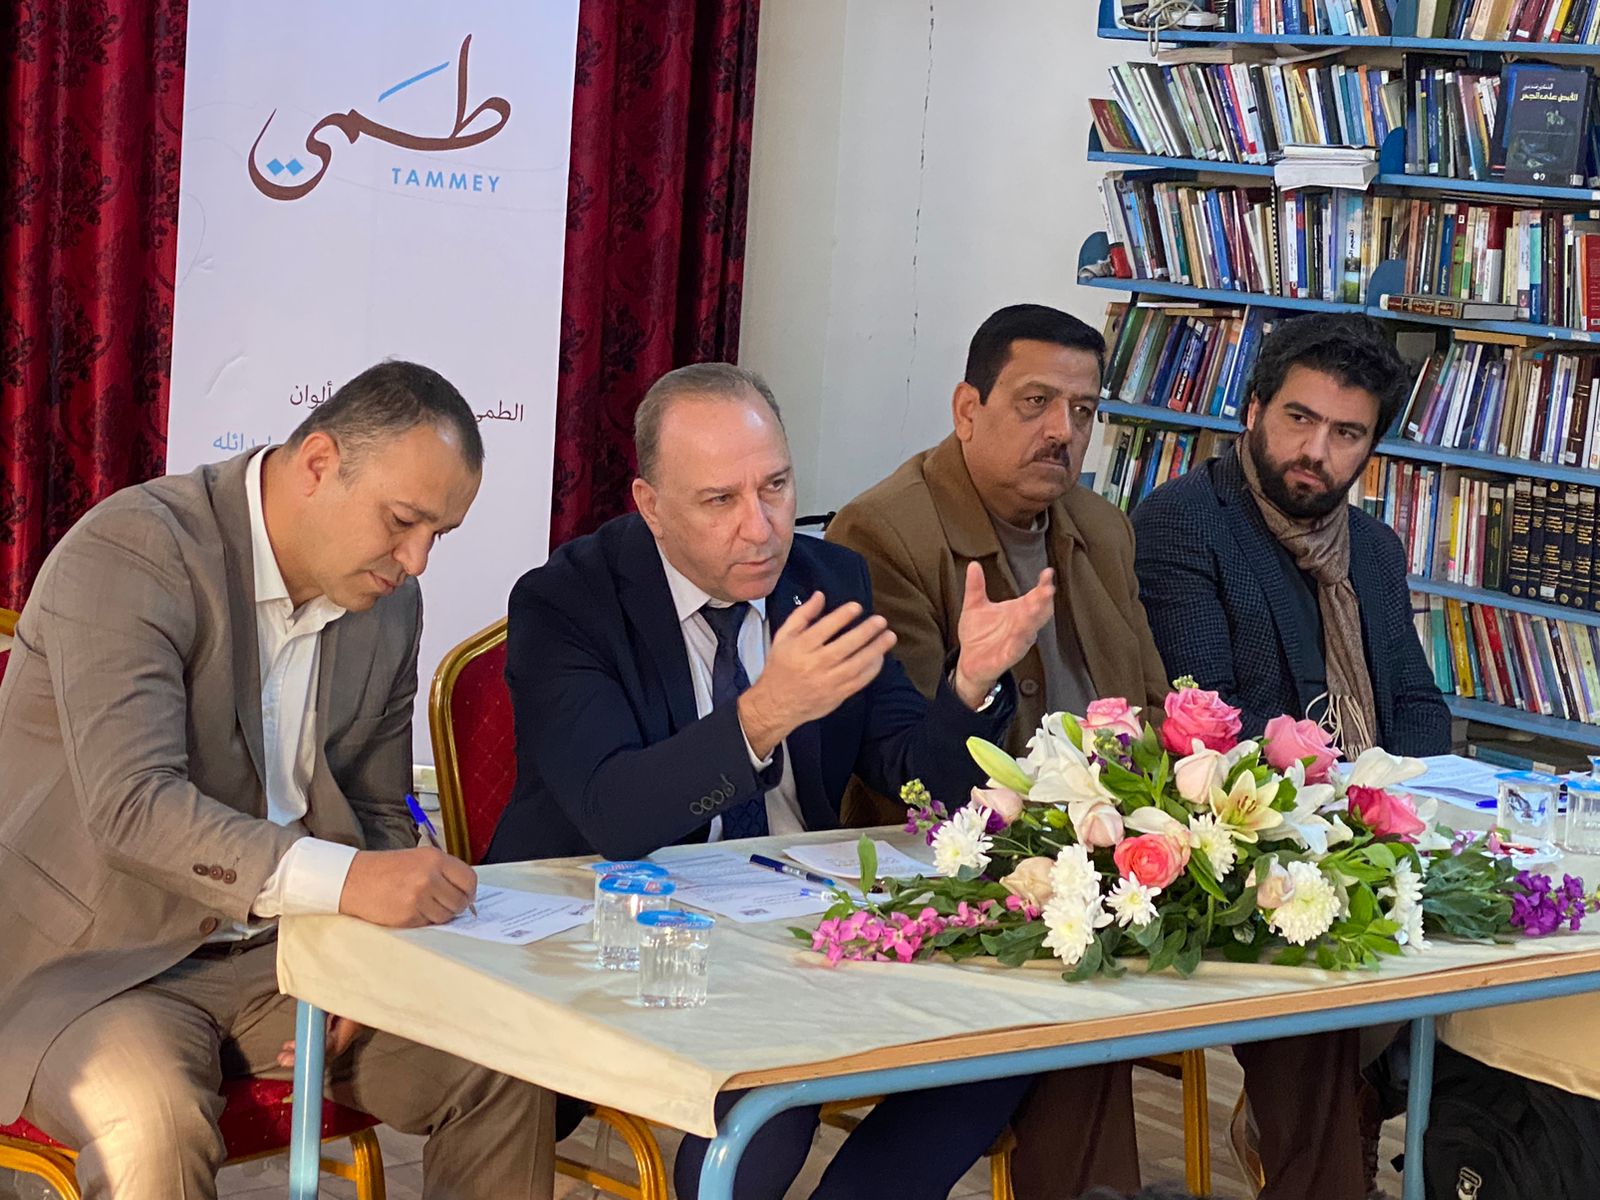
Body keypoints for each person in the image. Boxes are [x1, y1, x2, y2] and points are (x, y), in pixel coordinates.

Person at [828, 305, 1368, 1200]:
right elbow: (916, 768)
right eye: (1035, 402)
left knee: (1306, 950)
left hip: (1128, 838)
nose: (1062, 430)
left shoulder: (1101, 526)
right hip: (978, 857)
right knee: (1077, 985)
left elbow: (1159, 705)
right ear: (967, 409)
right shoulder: (883, 532)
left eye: (1083, 410)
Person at [485, 361, 1054, 1199]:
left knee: (1007, 1034)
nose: (761, 528)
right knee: (772, 1088)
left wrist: (968, 686)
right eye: (720, 500)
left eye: (777, 487)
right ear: (650, 505)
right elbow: (613, 814)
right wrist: (762, 715)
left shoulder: (828, 582)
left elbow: (913, 776)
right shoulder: (569, 602)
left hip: (790, 924)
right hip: (618, 930)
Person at [0, 361, 556, 1200]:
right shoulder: (134, 549)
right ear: (319, 463)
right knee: (152, 1125)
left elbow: (375, 807)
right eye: (403, 521)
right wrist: (351, 886)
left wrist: (370, 953)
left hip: (286, 953)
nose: (415, 561)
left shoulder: (389, 606)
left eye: (438, 535)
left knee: (509, 1054)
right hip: (97, 965)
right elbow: (134, 808)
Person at [1132, 312, 1451, 759]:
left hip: (1369, 792)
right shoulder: (1182, 522)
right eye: (1300, 418)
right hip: (1254, 794)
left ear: (1371, 448)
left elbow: (1419, 705)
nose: (1315, 452)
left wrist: (1390, 786)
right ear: (1255, 410)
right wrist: (1338, 779)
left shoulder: (1375, 546)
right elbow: (1207, 720)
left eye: (1346, 433)